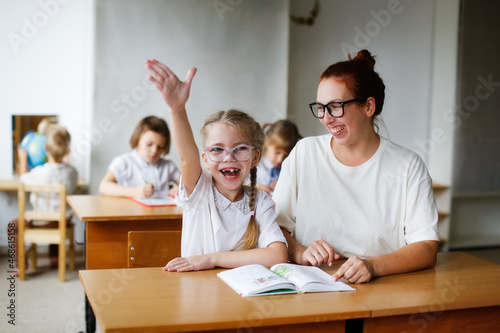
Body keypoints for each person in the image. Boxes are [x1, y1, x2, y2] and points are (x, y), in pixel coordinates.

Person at [273, 50, 439, 284]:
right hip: (313, 286)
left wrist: (372, 265)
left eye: (336, 107)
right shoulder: (304, 153)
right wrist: (299, 251)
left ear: (368, 106)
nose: (326, 118)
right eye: (321, 107)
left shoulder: (408, 166)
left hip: (382, 288)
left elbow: (426, 247)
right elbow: (275, 226)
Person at [145, 59, 288, 272]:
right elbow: (187, 157)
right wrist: (177, 110)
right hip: (199, 298)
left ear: (255, 157)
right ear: (205, 159)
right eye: (217, 149)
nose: (228, 157)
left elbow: (277, 255)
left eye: (240, 148)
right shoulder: (200, 190)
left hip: (244, 299)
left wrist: (211, 259)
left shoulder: (260, 202)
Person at [15, 124, 78, 269]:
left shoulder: (38, 173)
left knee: (13, 226)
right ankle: (55, 258)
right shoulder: (72, 172)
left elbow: (23, 178)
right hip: (63, 220)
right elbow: (70, 177)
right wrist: (66, 160)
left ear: (45, 149)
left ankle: (20, 263)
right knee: (55, 216)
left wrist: (23, 160)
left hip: (41, 221)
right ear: (68, 151)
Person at [99, 116, 180, 198]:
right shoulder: (123, 162)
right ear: (137, 140)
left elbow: (189, 186)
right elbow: (104, 186)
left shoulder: (168, 166)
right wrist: (135, 191)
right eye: (149, 144)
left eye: (160, 147)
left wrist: (179, 190)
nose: (154, 151)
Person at [255, 120, 302, 195]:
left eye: (286, 155)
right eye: (277, 152)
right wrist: (252, 189)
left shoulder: (290, 170)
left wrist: (284, 186)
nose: (280, 159)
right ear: (267, 141)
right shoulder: (254, 166)